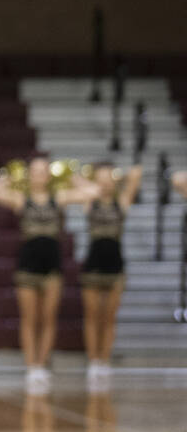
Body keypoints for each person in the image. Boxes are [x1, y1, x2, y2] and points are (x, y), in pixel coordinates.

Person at [0, 158, 96, 393]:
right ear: (29, 174)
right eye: (35, 171)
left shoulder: (59, 198)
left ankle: (43, 365)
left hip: (52, 262)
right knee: (29, 318)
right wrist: (13, 177)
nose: (40, 175)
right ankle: (31, 366)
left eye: (44, 171)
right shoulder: (21, 199)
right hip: (28, 262)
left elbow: (91, 191)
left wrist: (67, 175)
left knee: (48, 317)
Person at [77, 164, 141, 385]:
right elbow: (75, 181)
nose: (105, 183)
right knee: (93, 316)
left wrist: (120, 177)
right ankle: (93, 360)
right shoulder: (90, 201)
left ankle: (104, 360)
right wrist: (93, 182)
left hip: (115, 264)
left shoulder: (121, 202)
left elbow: (135, 175)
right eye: (100, 179)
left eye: (108, 179)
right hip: (93, 263)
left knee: (109, 317)